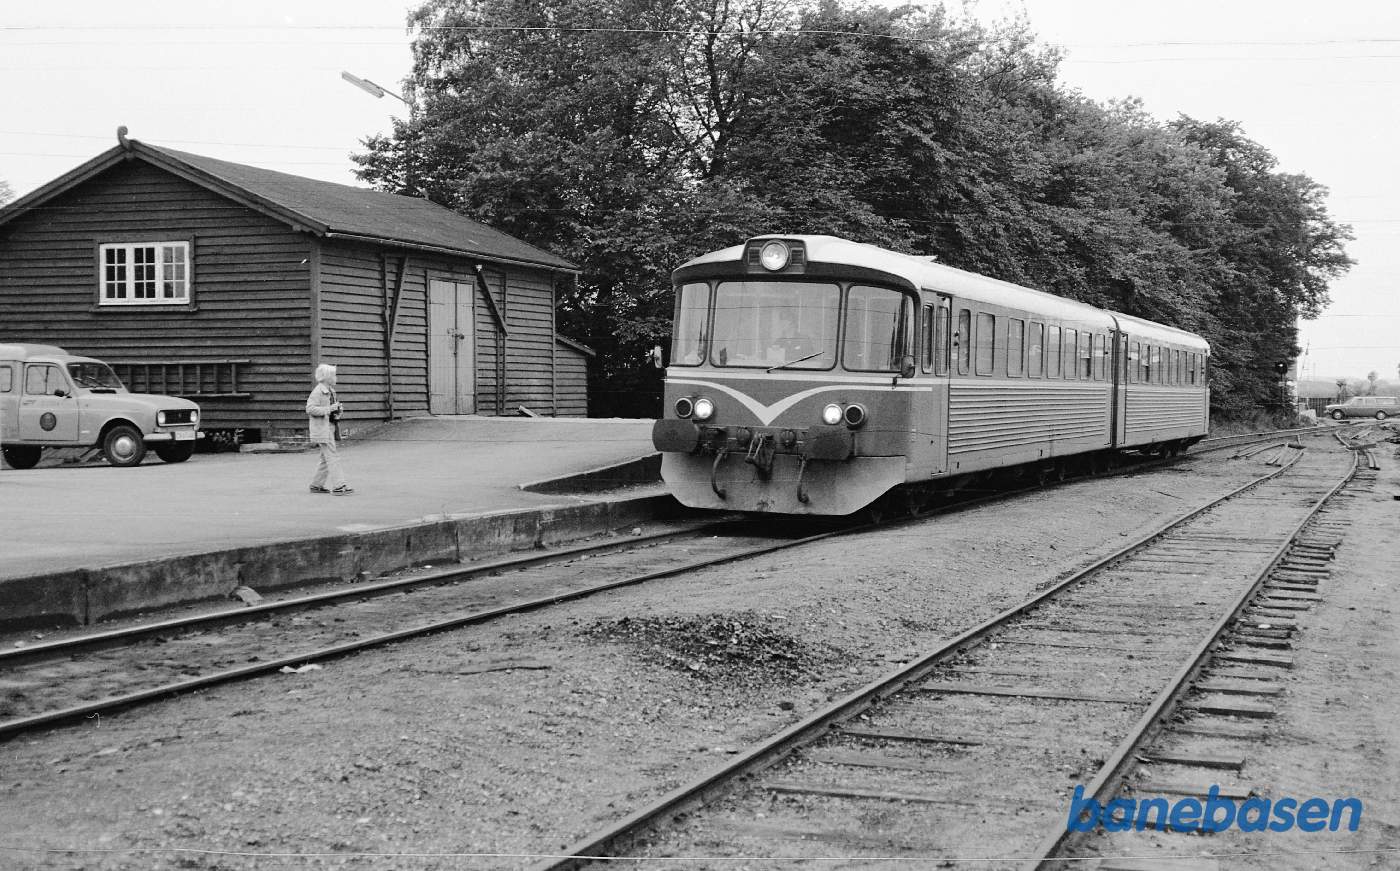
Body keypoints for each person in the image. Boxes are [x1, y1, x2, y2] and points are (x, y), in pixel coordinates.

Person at [306, 363, 352, 494]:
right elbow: (309, 409)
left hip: (329, 427)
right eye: (334, 375)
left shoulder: (331, 391)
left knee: (325, 458)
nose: (336, 377)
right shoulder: (318, 391)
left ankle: (316, 485)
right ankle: (339, 485)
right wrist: (329, 409)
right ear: (327, 377)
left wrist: (337, 412)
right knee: (332, 456)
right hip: (322, 430)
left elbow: (330, 411)